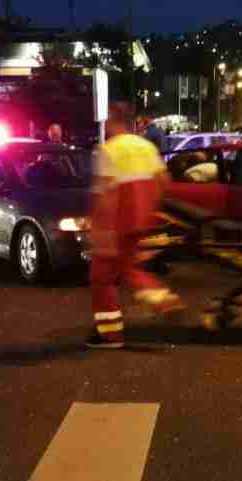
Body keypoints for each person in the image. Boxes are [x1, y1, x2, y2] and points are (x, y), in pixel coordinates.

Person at [87, 102, 185, 349]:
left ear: (113, 120)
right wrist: (151, 209)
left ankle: (110, 335)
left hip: (116, 223)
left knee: (102, 278)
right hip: (141, 221)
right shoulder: (146, 147)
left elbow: (106, 195)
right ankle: (163, 300)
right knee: (129, 267)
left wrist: (102, 232)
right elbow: (165, 181)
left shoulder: (107, 151)